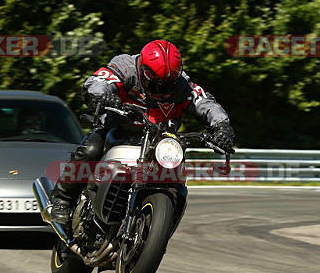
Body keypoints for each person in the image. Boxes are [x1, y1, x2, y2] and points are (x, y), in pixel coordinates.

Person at [50, 39, 234, 223]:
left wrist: (222, 128)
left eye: (168, 86)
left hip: (159, 141)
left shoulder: (182, 85)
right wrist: (101, 96)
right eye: (157, 85)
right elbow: (99, 81)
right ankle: (63, 200)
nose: (163, 92)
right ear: (144, 72)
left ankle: (159, 227)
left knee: (177, 181)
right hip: (118, 129)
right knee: (91, 149)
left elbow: (206, 103)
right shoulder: (125, 67)